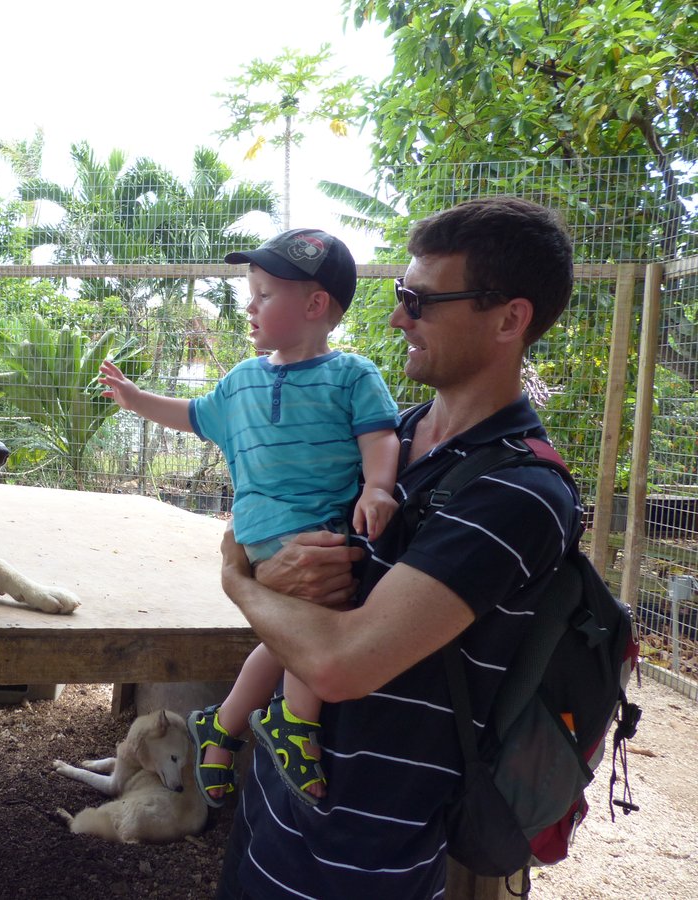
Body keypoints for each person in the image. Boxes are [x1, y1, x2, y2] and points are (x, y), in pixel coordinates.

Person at [214, 196, 580, 899]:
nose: (396, 317)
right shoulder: (386, 435)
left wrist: (241, 584)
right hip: (273, 808)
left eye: (421, 300)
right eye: (398, 295)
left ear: (510, 318)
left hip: (364, 856)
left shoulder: (519, 492)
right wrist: (273, 572)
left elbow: (339, 661)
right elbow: (277, 555)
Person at [98, 228, 400, 807]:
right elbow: (190, 414)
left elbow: (379, 437)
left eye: (263, 294)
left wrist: (379, 489)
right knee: (321, 627)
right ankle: (294, 721)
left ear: (314, 306)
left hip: (314, 530)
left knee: (291, 637)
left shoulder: (352, 375)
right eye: (251, 292)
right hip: (275, 534)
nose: (249, 305)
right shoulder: (240, 382)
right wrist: (135, 398)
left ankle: (222, 727)